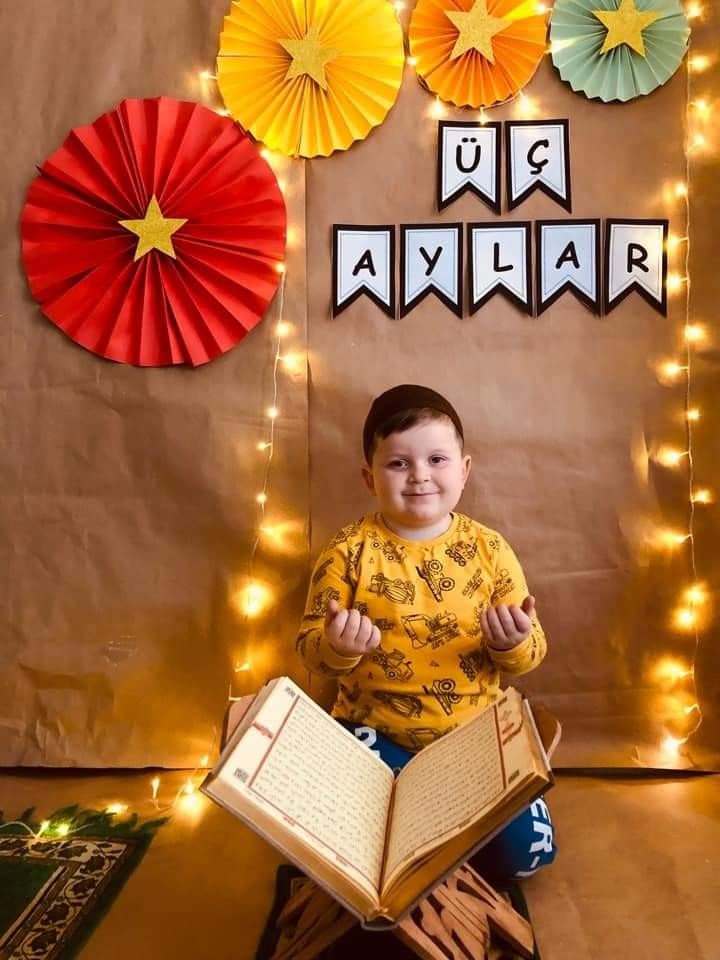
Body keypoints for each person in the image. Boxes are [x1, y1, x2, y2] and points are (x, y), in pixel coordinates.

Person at [295, 384, 555, 882]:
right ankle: (406, 830)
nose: (420, 477)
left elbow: (532, 651)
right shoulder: (348, 550)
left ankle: (442, 833)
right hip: (373, 736)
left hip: (472, 739)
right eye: (398, 464)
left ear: (464, 469)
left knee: (528, 856)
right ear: (370, 477)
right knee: (325, 845)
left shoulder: (490, 549)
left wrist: (512, 643)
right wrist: (337, 648)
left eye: (437, 459)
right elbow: (310, 650)